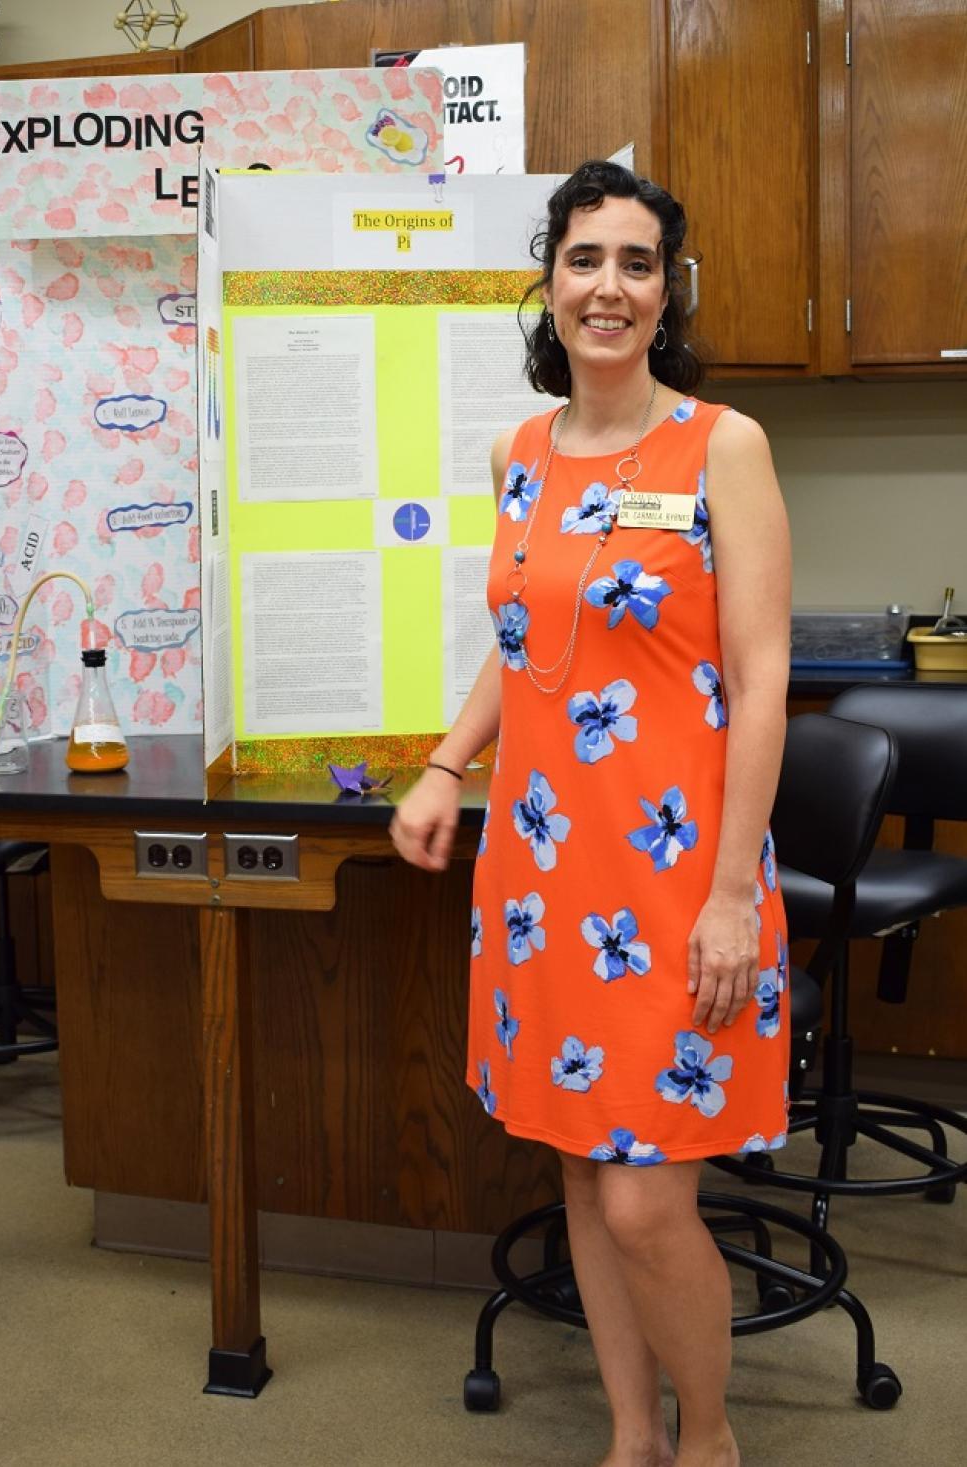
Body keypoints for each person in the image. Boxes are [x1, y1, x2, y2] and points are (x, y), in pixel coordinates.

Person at [389, 161, 792, 1467]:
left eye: (636, 263)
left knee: (641, 1202)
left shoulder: (721, 446)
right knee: (577, 1164)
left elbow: (765, 673)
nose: (607, 287)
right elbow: (522, 645)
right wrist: (449, 765)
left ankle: (712, 1438)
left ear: (665, 291)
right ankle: (631, 1438)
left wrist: (732, 894)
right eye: (584, 259)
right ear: (548, 283)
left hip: (681, 878)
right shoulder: (523, 454)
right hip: (545, 867)